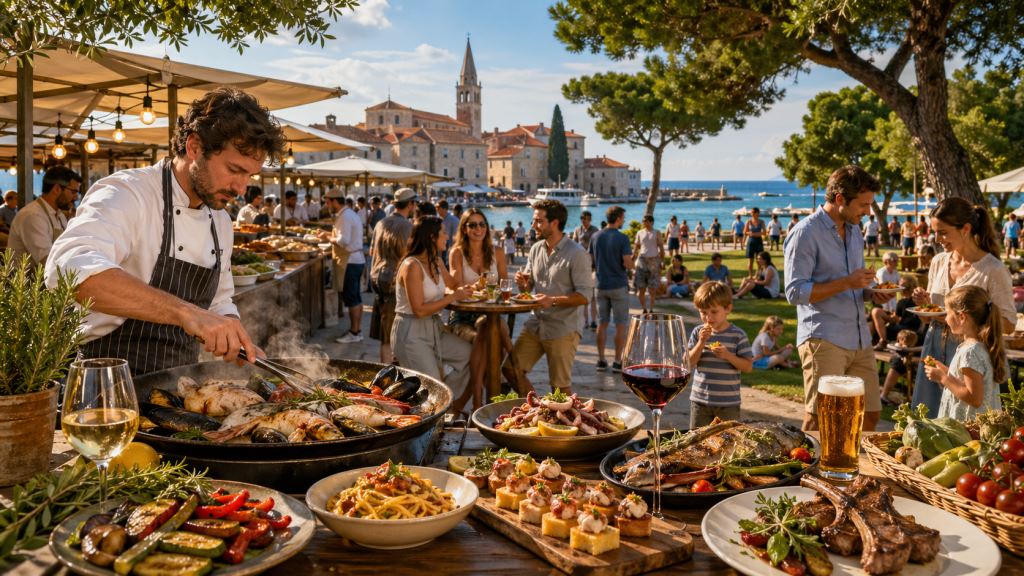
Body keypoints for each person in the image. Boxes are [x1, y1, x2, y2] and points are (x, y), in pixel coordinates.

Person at [45, 87, 283, 373]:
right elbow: (68, 271)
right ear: (194, 147)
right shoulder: (128, 193)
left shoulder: (219, 219)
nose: (241, 188)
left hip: (177, 384)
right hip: (106, 381)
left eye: (249, 175)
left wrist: (232, 332)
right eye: (234, 170)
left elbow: (219, 299)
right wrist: (184, 312)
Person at [784, 165, 893, 431]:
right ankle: (806, 470)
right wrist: (847, 282)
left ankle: (857, 471)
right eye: (864, 205)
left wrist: (872, 294)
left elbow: (854, 285)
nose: (868, 212)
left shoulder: (855, 230)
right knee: (820, 418)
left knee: (869, 416)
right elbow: (795, 292)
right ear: (840, 199)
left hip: (859, 338)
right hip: (824, 338)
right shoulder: (805, 233)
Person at [911, 197, 1015, 416]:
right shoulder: (939, 261)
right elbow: (927, 318)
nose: (937, 239)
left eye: (943, 232)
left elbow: (1007, 325)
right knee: (930, 418)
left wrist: (965, 320)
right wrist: (926, 307)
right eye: (935, 232)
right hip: (935, 346)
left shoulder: (993, 269)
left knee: (966, 420)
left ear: (965, 228)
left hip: (974, 353)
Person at [507, 199, 593, 395]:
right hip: (537, 323)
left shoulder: (577, 254)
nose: (533, 225)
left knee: (559, 388)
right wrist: (523, 284)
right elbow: (529, 287)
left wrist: (552, 300)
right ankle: (537, 408)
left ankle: (571, 423)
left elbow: (585, 296)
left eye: (538, 221)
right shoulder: (536, 249)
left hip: (564, 327)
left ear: (554, 223)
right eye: (534, 220)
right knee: (510, 370)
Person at [392, 216, 473, 400]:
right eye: (444, 233)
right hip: (411, 331)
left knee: (469, 355)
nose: (448, 237)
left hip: (435, 327)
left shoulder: (436, 261)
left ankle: (445, 404)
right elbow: (419, 309)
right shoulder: (411, 266)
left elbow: (453, 284)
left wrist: (462, 259)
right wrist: (453, 297)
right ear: (431, 237)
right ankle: (437, 409)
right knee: (431, 385)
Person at [448, 208, 509, 413]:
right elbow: (454, 284)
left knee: (489, 328)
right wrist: (474, 288)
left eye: (482, 224)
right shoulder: (456, 253)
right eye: (472, 225)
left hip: (490, 312)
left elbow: (504, 284)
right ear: (464, 229)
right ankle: (495, 388)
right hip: (462, 317)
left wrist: (494, 290)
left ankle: (476, 403)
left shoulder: (497, 252)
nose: (478, 229)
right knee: (488, 338)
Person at [924, 285, 1005, 421]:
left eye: (948, 313)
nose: (946, 318)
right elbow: (967, 380)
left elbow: (974, 398)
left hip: (969, 430)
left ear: (961, 317)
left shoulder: (971, 351)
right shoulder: (978, 346)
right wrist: (945, 371)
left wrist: (943, 378)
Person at [686, 281, 753, 428]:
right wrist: (701, 343)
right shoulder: (698, 333)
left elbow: (748, 366)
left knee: (727, 441)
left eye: (714, 312)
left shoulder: (738, 335)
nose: (708, 317)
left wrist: (728, 356)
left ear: (728, 308)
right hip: (700, 401)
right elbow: (689, 363)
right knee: (697, 442)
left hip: (728, 404)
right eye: (703, 312)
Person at [369, 187, 417, 363]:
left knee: (385, 337)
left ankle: (385, 376)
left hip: (377, 281)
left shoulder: (381, 223)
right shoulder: (408, 227)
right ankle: (388, 382)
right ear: (411, 204)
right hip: (394, 284)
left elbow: (372, 252)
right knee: (394, 337)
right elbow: (410, 258)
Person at [589, 205, 633, 372]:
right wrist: (632, 263)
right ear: (618, 218)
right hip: (618, 285)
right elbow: (627, 263)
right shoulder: (622, 238)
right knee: (620, 324)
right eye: (623, 218)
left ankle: (600, 360)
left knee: (602, 323)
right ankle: (617, 361)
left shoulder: (595, 236)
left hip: (600, 285)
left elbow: (590, 260)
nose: (624, 220)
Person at [9, 166, 81, 266]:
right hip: (28, 281)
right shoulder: (33, 216)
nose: (76, 197)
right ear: (56, 189)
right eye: (73, 192)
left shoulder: (59, 215)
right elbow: (47, 261)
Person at [321, 192, 365, 344]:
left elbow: (343, 241)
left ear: (335, 201)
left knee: (352, 298)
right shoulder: (348, 214)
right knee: (356, 298)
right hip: (355, 260)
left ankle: (354, 332)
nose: (327, 206)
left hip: (350, 261)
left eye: (328, 202)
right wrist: (328, 233)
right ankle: (357, 330)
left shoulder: (345, 216)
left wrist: (327, 237)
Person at [870, 275, 921, 350]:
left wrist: (886, 317)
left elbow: (896, 319)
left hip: (902, 331)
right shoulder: (918, 301)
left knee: (876, 312)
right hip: (915, 331)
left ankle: (882, 341)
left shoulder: (902, 302)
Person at [572, 211, 600, 330]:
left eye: (587, 219)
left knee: (592, 295)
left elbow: (598, 247)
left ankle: (593, 320)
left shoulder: (595, 230)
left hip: (592, 266)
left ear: (590, 219)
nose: (585, 221)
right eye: (583, 219)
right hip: (581, 265)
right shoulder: (578, 230)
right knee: (583, 294)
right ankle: (585, 321)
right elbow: (573, 244)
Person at [880, 329, 919, 406]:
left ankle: (884, 395)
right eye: (903, 339)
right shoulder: (897, 345)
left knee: (897, 363)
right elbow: (895, 346)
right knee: (897, 362)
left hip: (910, 362)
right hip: (901, 362)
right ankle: (884, 395)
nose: (904, 342)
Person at [633, 214, 662, 313]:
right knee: (641, 287)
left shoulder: (656, 232)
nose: (644, 222)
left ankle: (651, 309)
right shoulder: (640, 233)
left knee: (652, 288)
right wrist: (633, 257)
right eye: (643, 221)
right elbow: (636, 246)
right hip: (642, 261)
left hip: (654, 260)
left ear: (651, 222)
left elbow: (661, 247)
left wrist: (661, 261)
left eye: (646, 221)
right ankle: (644, 308)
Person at [743, 207, 765, 276]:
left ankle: (757, 275)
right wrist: (744, 241)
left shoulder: (761, 222)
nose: (751, 213)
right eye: (751, 212)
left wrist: (755, 234)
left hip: (758, 241)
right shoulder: (748, 221)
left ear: (757, 213)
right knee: (750, 260)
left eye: (753, 212)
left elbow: (764, 232)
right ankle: (750, 275)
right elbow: (745, 232)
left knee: (759, 260)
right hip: (751, 241)